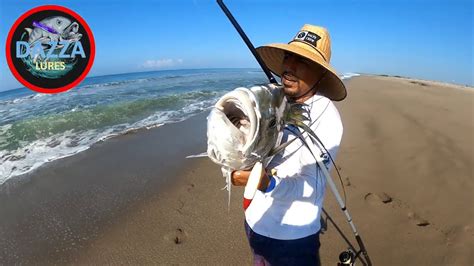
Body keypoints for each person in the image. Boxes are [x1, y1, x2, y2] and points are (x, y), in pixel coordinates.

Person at [231, 24, 347, 265]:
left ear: (321, 73)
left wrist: (265, 182)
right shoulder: (272, 100)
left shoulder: (327, 119)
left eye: (302, 61)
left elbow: (308, 186)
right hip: (255, 222)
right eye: (288, 56)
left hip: (293, 237)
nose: (289, 67)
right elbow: (250, 148)